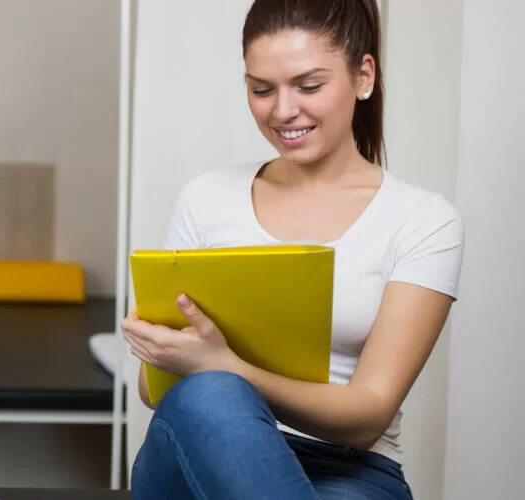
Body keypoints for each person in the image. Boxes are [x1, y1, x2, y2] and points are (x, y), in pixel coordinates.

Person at [120, 0, 463, 498]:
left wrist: (230, 368)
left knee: (217, 383)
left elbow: (369, 415)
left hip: (349, 470)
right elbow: (152, 389)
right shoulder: (206, 198)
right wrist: (168, 355)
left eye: (309, 86)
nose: (282, 111)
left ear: (363, 77)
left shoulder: (423, 220)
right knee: (211, 393)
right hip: (199, 449)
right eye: (262, 89)